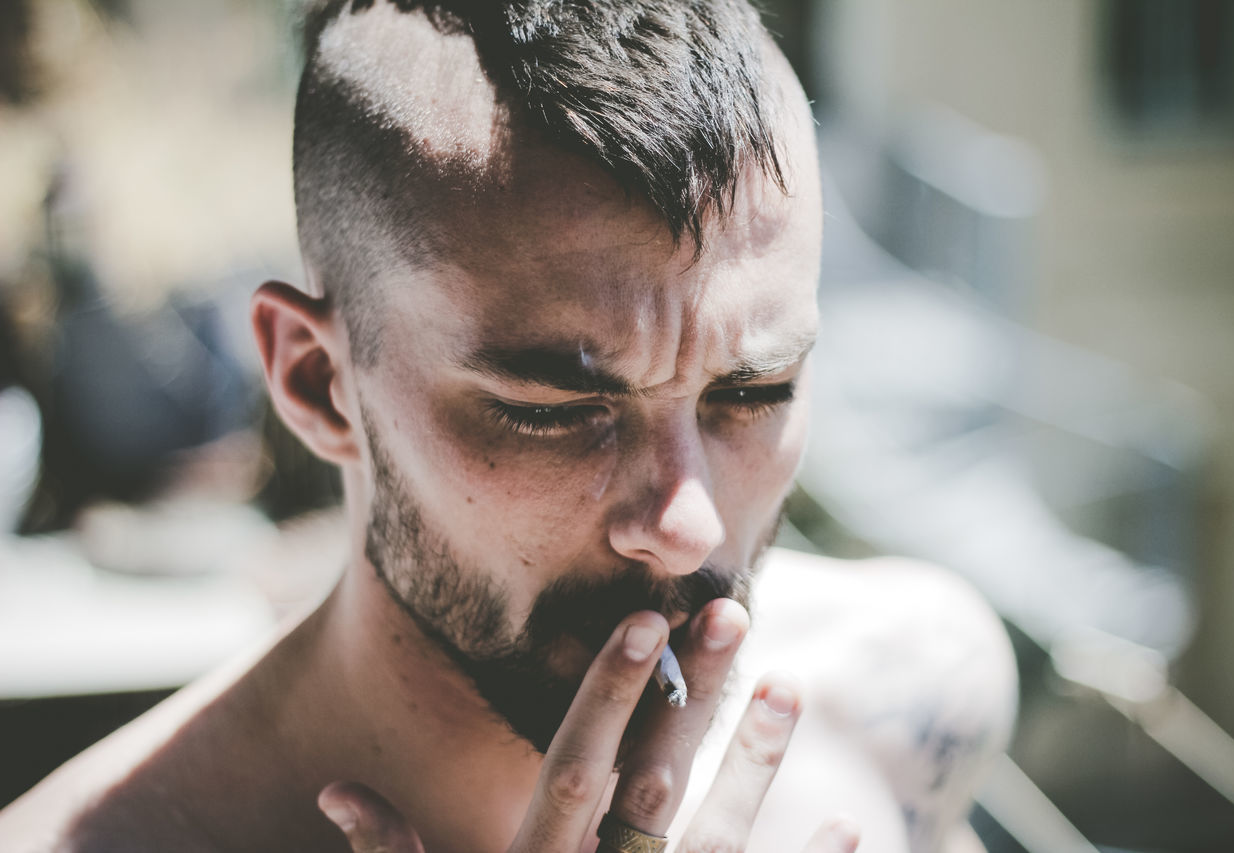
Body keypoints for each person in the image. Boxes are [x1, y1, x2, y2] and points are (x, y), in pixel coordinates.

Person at [0, 1, 1017, 850]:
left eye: (753, 393)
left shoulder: (904, 693)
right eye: (556, 414)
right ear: (315, 382)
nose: (687, 524)